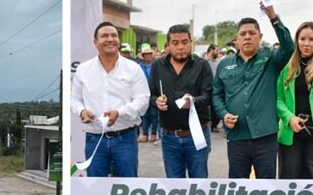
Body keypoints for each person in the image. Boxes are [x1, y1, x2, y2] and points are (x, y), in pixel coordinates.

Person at [212, 3, 294, 178]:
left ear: (260, 37)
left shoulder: (270, 58)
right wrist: (223, 114)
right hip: (237, 136)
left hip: (265, 136)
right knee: (237, 187)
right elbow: (217, 94)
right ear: (237, 39)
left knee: (266, 186)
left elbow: (289, 48)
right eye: (243, 34)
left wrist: (274, 18)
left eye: (252, 33)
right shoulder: (224, 65)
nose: (247, 37)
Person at [70, 21, 151, 177]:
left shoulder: (133, 68)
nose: (110, 39)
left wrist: (119, 113)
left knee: (127, 191)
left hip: (125, 139)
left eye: (114, 35)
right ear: (95, 42)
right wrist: (82, 112)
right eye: (104, 36)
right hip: (94, 139)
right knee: (95, 191)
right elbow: (74, 100)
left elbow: (142, 101)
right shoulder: (83, 70)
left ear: (118, 41)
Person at [276, 21, 313, 179]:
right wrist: (289, 118)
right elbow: (278, 99)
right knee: (289, 176)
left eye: (312, 39)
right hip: (292, 129)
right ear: (297, 40)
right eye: (302, 39)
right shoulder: (286, 66)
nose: (307, 44)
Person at [151, 24, 213, 178]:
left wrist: (193, 101)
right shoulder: (158, 66)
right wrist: (157, 101)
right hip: (169, 136)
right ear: (168, 45)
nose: (180, 47)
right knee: (174, 187)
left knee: (199, 186)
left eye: (185, 42)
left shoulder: (202, 65)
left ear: (191, 42)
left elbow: (208, 96)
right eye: (175, 43)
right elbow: (150, 95)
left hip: (197, 135)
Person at [137, 43, 159, 143]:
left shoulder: (156, 66)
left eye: (150, 54)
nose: (148, 56)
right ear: (143, 56)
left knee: (155, 114)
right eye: (146, 54)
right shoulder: (139, 67)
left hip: (154, 92)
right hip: (142, 92)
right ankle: (145, 134)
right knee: (144, 114)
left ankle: (154, 134)